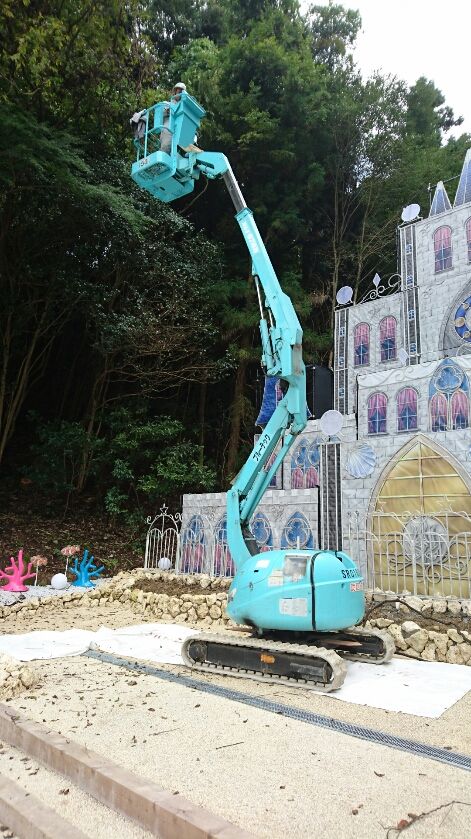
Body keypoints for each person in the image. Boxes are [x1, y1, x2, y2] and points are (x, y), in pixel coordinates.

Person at [160, 82, 187, 154]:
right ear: (175, 92)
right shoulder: (167, 103)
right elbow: (161, 113)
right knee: (165, 147)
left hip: (178, 130)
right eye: (178, 91)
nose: (179, 93)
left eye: (181, 92)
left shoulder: (184, 107)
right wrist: (168, 110)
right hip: (168, 127)